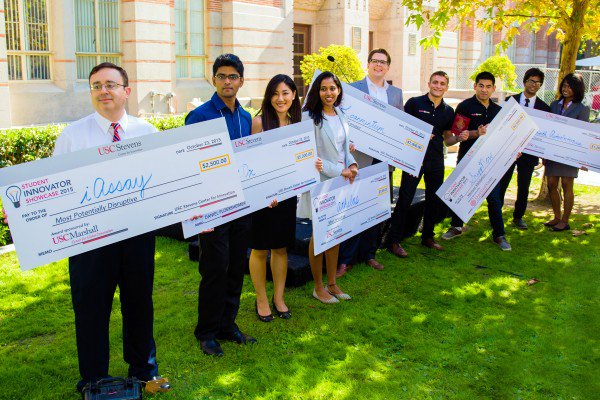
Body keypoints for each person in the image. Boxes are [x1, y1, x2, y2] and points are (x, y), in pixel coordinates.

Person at [51, 62, 171, 393]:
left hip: (137, 237)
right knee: (91, 309)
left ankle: (144, 370)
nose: (103, 91)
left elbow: (165, 181)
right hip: (90, 242)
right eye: (96, 85)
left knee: (139, 303)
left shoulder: (147, 133)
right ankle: (94, 378)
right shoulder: (73, 137)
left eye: (110, 84)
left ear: (126, 91)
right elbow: (53, 187)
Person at [185, 54, 255, 356]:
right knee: (215, 269)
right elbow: (188, 164)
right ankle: (207, 332)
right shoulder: (199, 116)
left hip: (241, 204)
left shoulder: (246, 117)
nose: (228, 81)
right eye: (222, 76)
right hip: (211, 206)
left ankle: (228, 325)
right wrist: (196, 210)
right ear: (213, 79)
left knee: (236, 266)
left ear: (241, 81)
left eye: (233, 77)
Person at [249, 74, 322, 321]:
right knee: (259, 249)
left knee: (280, 249)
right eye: (275, 93)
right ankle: (261, 299)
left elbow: (302, 160)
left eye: (285, 93)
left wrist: (313, 165)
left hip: (287, 196)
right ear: (269, 96)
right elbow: (252, 162)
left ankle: (279, 298)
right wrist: (264, 193)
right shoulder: (259, 122)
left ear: (294, 96)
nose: (280, 99)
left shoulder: (299, 124)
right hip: (263, 198)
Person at [337, 48, 403, 276]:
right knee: (353, 205)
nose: (378, 65)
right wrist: (347, 140)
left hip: (384, 159)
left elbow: (399, 126)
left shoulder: (396, 94)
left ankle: (369, 254)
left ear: (388, 67)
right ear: (368, 64)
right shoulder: (352, 89)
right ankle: (346, 259)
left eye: (383, 62)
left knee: (377, 205)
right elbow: (341, 120)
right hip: (359, 157)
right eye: (375, 61)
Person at [387, 71, 467, 257]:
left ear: (446, 87)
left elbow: (447, 139)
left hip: (436, 160)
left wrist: (459, 138)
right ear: (429, 84)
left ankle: (428, 237)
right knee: (405, 199)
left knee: (433, 200)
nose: (438, 86)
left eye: (442, 83)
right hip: (414, 160)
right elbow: (402, 129)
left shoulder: (448, 111)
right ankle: (394, 240)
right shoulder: (414, 103)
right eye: (435, 82)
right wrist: (419, 136)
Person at [299, 71, 358, 304]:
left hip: (340, 182)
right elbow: (309, 155)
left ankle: (332, 283)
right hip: (320, 182)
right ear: (317, 91)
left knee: (335, 232)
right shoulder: (309, 117)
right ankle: (318, 287)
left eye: (332, 88)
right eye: (323, 89)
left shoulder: (341, 114)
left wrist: (352, 164)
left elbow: (344, 148)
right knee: (320, 235)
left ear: (339, 90)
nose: (328, 93)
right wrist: (339, 170)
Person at [441, 71, 512, 251]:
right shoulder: (465, 106)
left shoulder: (498, 111)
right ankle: (456, 226)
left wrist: (512, 151)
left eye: (488, 87)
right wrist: (475, 134)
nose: (484, 90)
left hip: (490, 162)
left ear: (494, 88)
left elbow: (504, 138)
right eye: (481, 86)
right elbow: (458, 135)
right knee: (461, 193)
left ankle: (499, 235)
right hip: (467, 158)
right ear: (475, 86)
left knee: (494, 198)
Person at [505, 68, 551, 230]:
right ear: (524, 81)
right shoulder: (510, 101)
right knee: (502, 183)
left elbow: (544, 134)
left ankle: (518, 217)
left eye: (538, 82)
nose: (534, 84)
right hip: (507, 150)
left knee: (524, 186)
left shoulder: (544, 108)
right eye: (531, 80)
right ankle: (495, 214)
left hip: (529, 153)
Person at [544, 73, 590, 232]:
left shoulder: (582, 109)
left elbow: (584, 134)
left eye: (570, 86)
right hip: (552, 152)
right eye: (564, 85)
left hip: (571, 153)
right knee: (551, 184)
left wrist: (581, 157)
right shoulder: (554, 105)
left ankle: (565, 220)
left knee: (566, 184)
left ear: (577, 89)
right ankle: (557, 217)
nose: (565, 89)